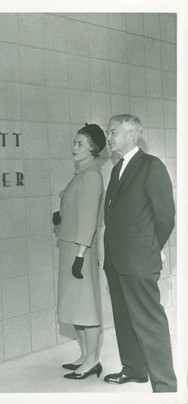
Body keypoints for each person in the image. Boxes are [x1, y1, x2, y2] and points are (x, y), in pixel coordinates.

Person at [102, 114, 176, 392]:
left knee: (149, 321)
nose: (109, 138)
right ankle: (134, 369)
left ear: (132, 135)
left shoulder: (151, 166)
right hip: (116, 259)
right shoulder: (116, 168)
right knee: (123, 316)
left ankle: (166, 385)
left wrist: (150, 248)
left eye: (113, 132)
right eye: (108, 133)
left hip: (139, 259)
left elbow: (165, 216)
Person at [53, 123, 107, 380]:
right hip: (71, 249)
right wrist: (61, 216)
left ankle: (93, 361)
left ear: (93, 149)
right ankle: (84, 356)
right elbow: (75, 209)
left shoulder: (91, 176)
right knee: (75, 306)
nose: (74, 148)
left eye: (80, 144)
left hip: (79, 252)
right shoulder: (81, 174)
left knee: (87, 308)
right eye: (74, 143)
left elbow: (88, 220)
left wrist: (80, 256)